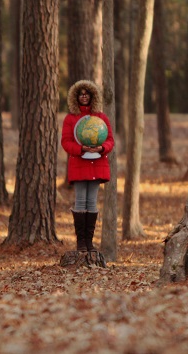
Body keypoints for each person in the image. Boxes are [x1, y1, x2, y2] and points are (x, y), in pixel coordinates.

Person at [61, 80, 115, 252]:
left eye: (87, 93)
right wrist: (80, 148)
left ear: (93, 96)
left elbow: (110, 140)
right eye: (81, 94)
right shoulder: (70, 119)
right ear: (75, 97)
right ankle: (81, 242)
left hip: (97, 163)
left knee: (92, 202)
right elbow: (66, 142)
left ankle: (89, 242)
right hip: (78, 164)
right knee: (80, 201)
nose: (84, 96)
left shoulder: (101, 118)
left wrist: (102, 148)